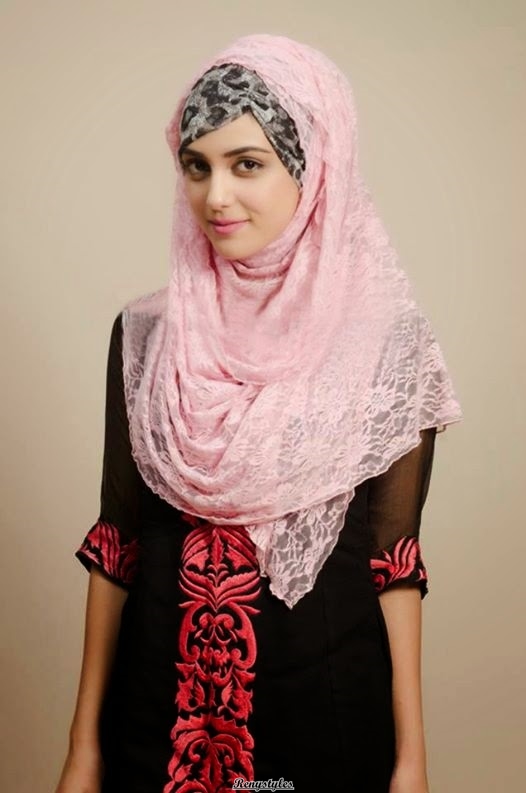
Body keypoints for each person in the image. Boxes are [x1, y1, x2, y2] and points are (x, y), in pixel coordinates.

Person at [54, 33, 462, 793]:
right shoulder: (147, 335)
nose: (215, 196)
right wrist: (83, 748)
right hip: (155, 722)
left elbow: (394, 561)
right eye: (196, 166)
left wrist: (412, 760)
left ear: (314, 167)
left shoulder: (386, 346)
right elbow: (118, 544)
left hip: (325, 723)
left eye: (247, 164)